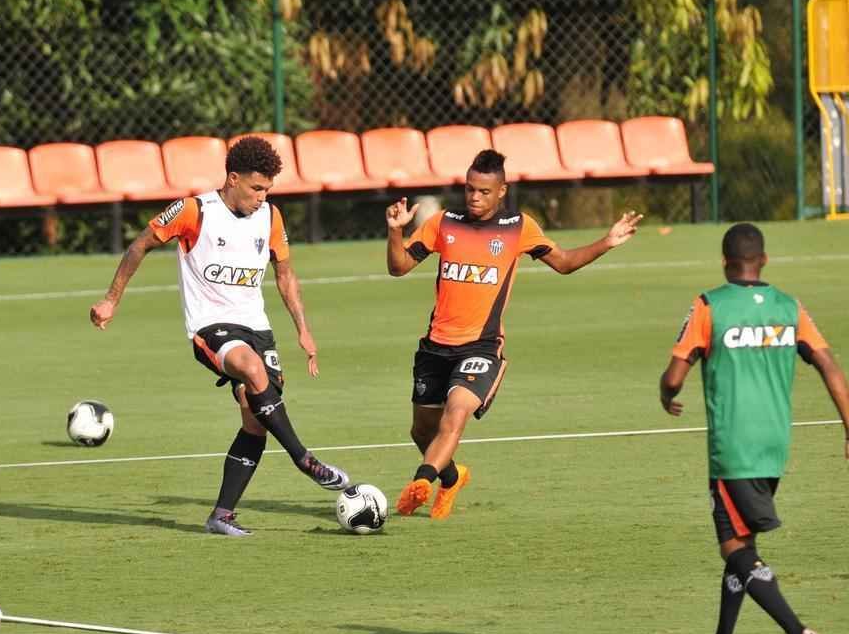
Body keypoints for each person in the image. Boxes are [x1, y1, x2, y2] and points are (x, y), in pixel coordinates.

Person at [89, 136, 349, 537]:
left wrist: (303, 330)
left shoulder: (271, 217)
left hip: (256, 327)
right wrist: (111, 300)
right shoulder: (195, 211)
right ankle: (305, 460)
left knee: (256, 420)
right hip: (211, 326)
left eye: (268, 190)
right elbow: (141, 244)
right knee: (251, 369)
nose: (263, 197)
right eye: (256, 188)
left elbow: (285, 273)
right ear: (232, 179)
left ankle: (221, 515)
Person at [385, 149, 642, 519]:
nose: (475, 197)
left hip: (482, 347)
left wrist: (607, 241)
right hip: (435, 347)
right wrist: (395, 232)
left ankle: (422, 482)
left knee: (454, 416)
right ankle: (452, 476)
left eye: (484, 192)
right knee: (422, 432)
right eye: (470, 189)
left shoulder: (519, 228)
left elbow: (565, 263)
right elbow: (399, 267)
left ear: (502, 191)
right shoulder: (444, 222)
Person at [659, 222, 849, 634]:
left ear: (725, 262)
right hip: (773, 447)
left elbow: (673, 377)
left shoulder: (709, 305)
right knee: (745, 541)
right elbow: (828, 365)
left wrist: (666, 396)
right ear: (763, 260)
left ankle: (799, 633)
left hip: (733, 448)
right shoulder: (790, 307)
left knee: (733, 548)